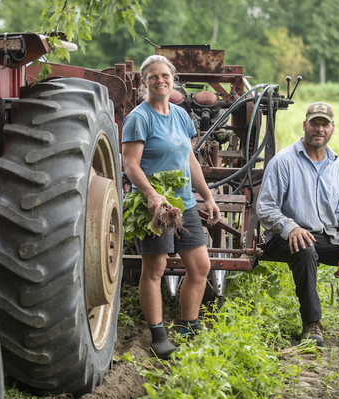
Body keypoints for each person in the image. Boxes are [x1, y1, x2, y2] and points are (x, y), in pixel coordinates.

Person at [256, 102, 339, 347]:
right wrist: (291, 228)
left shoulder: (338, 167)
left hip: (327, 237)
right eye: (314, 124)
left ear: (332, 129)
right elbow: (265, 208)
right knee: (305, 248)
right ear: (305, 125)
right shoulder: (284, 161)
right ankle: (312, 324)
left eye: (324, 124)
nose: (319, 129)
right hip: (284, 237)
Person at [122, 55, 220, 359]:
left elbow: (190, 160)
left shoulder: (180, 115)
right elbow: (130, 165)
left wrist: (207, 195)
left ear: (173, 78)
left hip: (184, 203)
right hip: (154, 205)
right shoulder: (139, 117)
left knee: (201, 266)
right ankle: (158, 334)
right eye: (153, 77)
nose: (160, 81)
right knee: (155, 269)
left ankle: (189, 326)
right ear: (143, 82)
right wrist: (151, 194)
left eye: (165, 75)